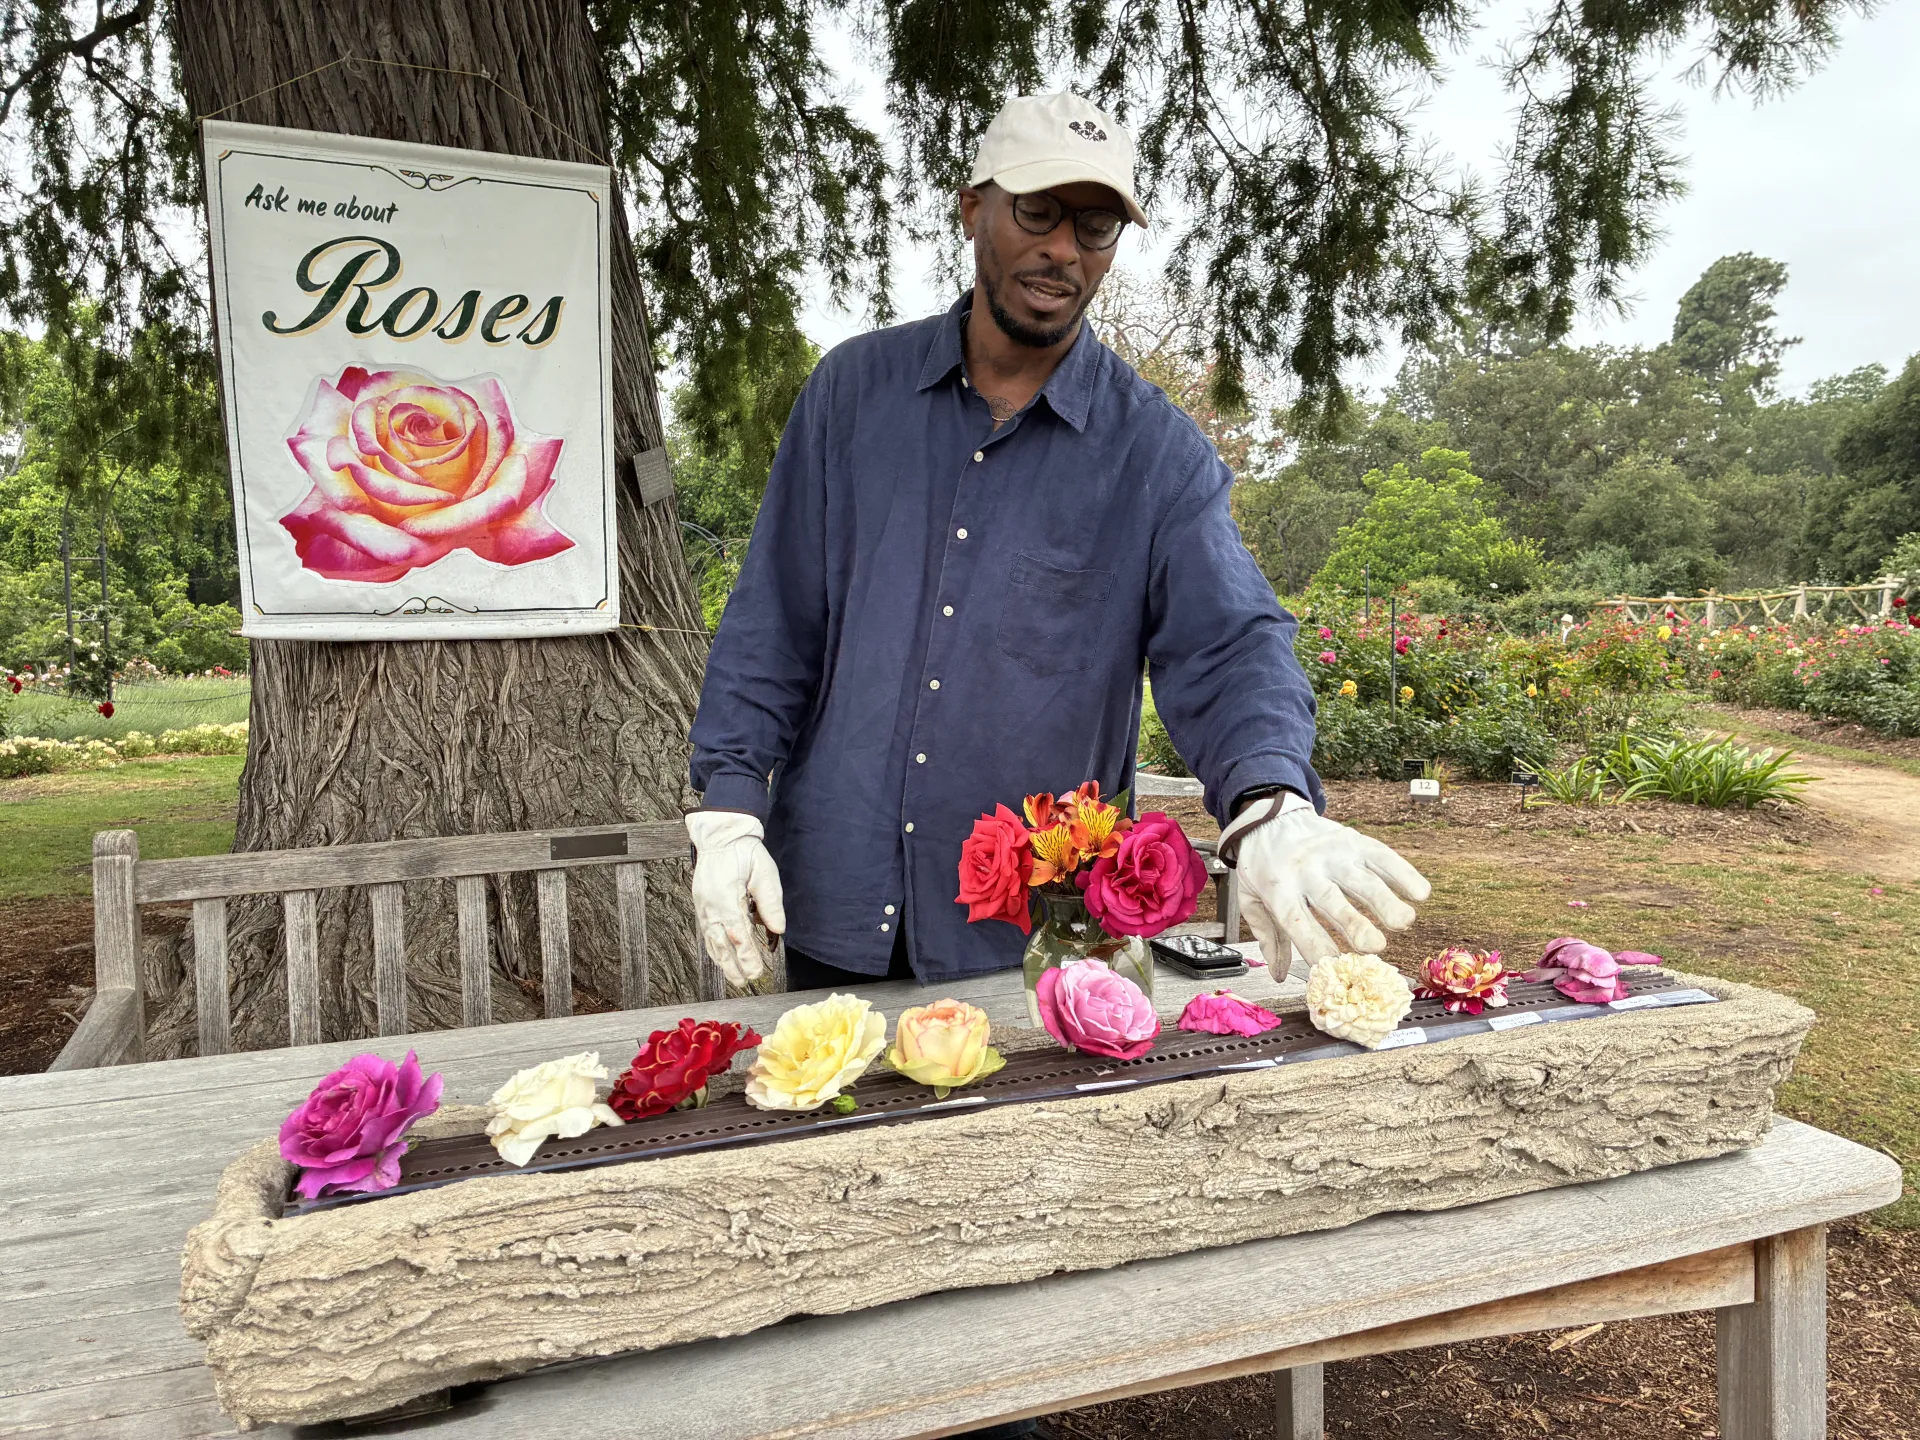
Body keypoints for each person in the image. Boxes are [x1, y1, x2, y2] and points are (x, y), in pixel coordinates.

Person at [685, 90, 1430, 1000]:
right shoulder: (852, 395)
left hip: (1036, 936)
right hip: (831, 904)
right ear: (974, 208)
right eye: (1036, 211)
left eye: (1095, 225)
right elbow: (774, 622)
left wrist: (1270, 804)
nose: (1062, 249)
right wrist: (729, 810)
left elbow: (1229, 642)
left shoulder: (1155, 455)